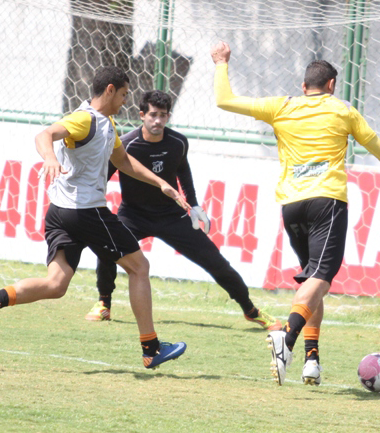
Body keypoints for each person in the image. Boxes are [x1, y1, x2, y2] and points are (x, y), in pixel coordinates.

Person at [0, 67, 188, 369]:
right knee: (140, 267)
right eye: (123, 94)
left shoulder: (107, 123)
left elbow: (122, 161)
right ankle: (151, 348)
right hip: (86, 211)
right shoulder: (86, 119)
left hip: (61, 211)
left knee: (56, 284)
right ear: (110, 90)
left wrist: (161, 183)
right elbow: (45, 134)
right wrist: (49, 157)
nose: (125, 101)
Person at [211, 42, 380, 386]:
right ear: (331, 85)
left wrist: (221, 63)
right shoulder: (343, 110)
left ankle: (311, 361)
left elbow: (224, 100)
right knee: (322, 277)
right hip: (326, 201)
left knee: (312, 284)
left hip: (292, 205)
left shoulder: (281, 106)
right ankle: (286, 337)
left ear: (304, 87)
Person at [84, 90, 281, 331]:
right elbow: (105, 176)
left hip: (171, 216)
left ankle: (251, 310)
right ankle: (104, 303)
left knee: (217, 263)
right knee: (107, 249)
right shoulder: (126, 144)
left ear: (168, 117)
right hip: (133, 215)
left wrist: (195, 204)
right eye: (153, 115)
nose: (158, 121)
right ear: (142, 115)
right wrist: (94, 204)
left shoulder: (178, 142)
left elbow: (183, 171)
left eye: (163, 116)